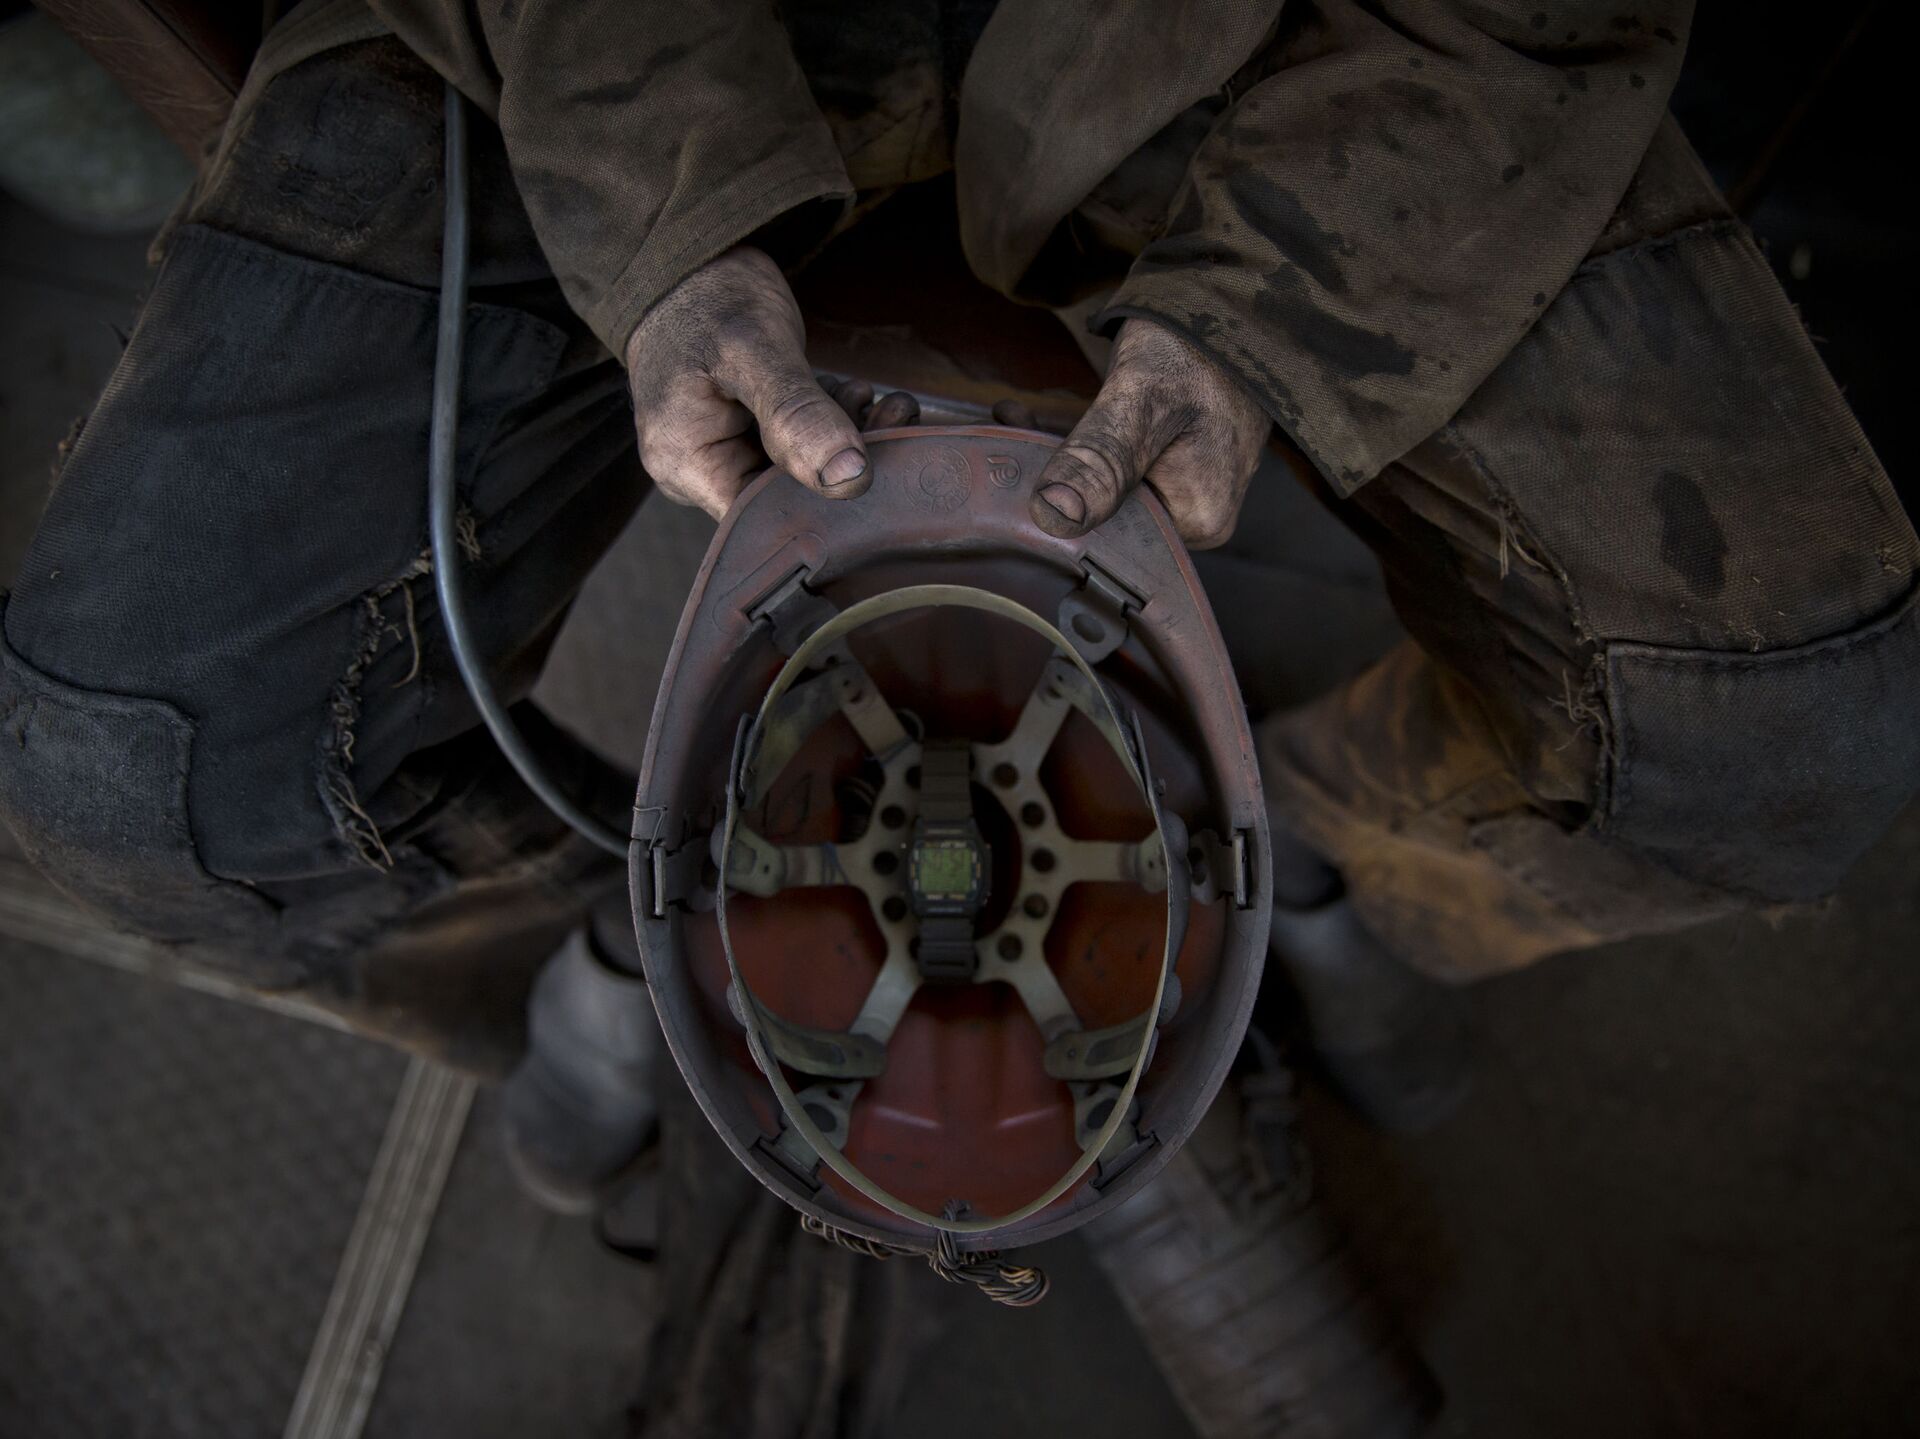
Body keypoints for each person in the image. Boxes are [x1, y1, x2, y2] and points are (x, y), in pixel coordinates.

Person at [2, 0, 1915, 1205]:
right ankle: (647, 941)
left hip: (1281, 50)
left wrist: (1280, 303)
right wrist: (660, 202)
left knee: (1784, 732)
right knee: (125, 772)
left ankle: (1297, 855)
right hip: (602, 46)